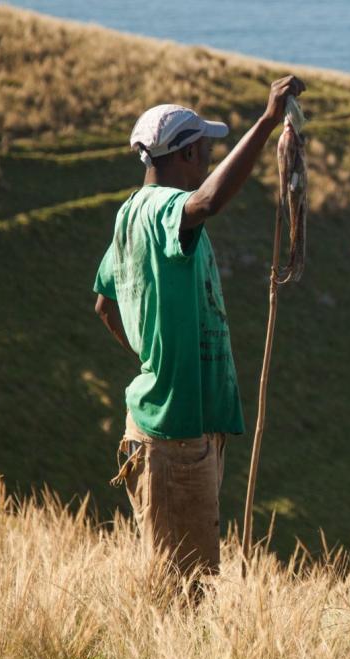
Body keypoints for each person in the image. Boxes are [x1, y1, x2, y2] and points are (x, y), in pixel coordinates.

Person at [92, 75, 307, 583]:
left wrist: (155, 356)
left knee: (180, 577)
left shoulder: (130, 216)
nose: (208, 158)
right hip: (176, 435)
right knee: (188, 588)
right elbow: (207, 201)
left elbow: (104, 303)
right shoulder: (164, 209)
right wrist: (267, 121)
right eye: (204, 149)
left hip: (178, 425)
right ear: (184, 154)